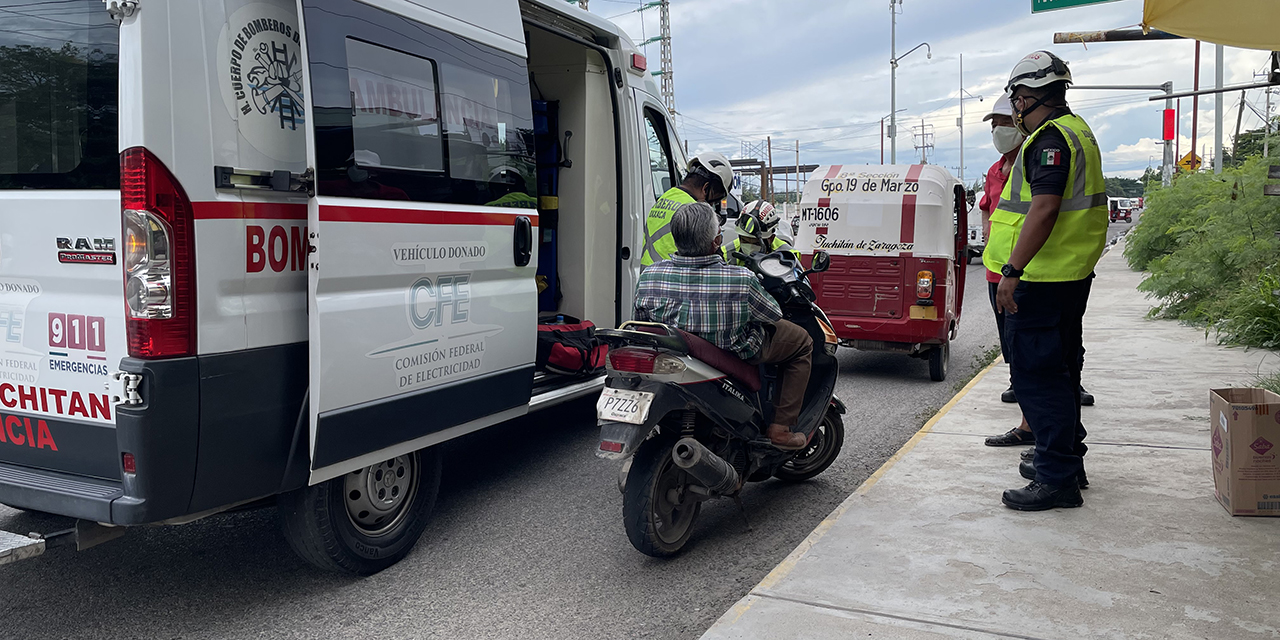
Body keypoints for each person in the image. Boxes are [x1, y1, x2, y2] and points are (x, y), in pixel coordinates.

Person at [983, 51, 1108, 511]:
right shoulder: (1080, 131)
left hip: (1042, 277)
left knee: (1038, 378)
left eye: (1016, 98)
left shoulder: (1048, 140)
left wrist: (1011, 272)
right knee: (1062, 371)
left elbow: (1045, 207)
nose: (1013, 107)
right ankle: (1066, 460)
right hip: (1069, 275)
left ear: (1029, 95)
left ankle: (1056, 478)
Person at [634, 201, 812, 449]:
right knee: (802, 342)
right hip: (735, 352)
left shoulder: (649, 276)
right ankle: (780, 429)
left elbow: (641, 320)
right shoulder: (740, 280)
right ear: (715, 242)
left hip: (674, 352)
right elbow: (772, 314)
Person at [979, 92, 1036, 447]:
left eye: (1002, 122)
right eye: (994, 125)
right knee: (1012, 343)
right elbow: (987, 207)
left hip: (1023, 272)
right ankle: (1026, 409)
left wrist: (1014, 269)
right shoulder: (994, 170)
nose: (998, 130)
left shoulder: (1034, 161)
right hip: (995, 272)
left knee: (1032, 347)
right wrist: (987, 234)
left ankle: (1031, 426)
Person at [641, 152, 735, 267]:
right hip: (674, 278)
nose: (710, 206)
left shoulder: (665, 197)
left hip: (649, 273)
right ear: (705, 189)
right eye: (713, 201)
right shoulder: (692, 210)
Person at [720, 200, 801, 266]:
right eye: (745, 241)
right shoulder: (726, 253)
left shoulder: (789, 255)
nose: (750, 248)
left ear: (771, 238)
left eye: (757, 243)